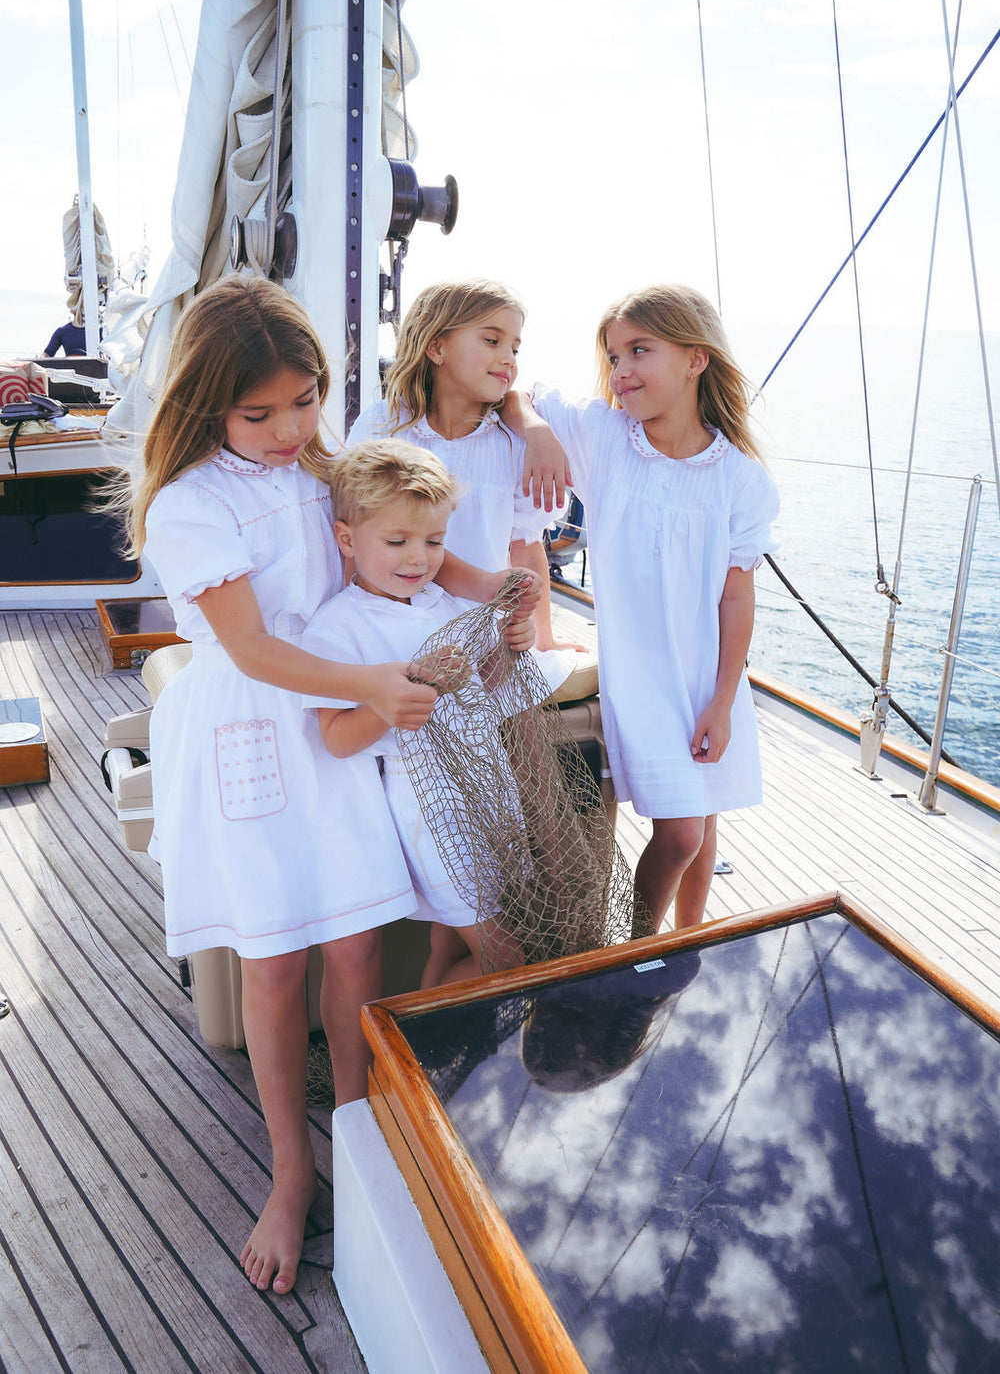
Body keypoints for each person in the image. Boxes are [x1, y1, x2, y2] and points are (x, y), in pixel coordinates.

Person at [125, 274, 530, 1298]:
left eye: (304, 402)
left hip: (340, 732)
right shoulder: (189, 503)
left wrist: (495, 586)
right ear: (205, 403)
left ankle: (354, 1130)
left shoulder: (325, 468)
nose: (287, 429)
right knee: (272, 965)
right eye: (258, 414)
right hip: (258, 730)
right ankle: (291, 1172)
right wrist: (375, 686)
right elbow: (254, 649)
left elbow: (413, 544)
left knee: (353, 945)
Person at [505, 284, 779, 936]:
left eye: (639, 351)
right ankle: (638, 952)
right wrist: (539, 435)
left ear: (695, 359)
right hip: (642, 681)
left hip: (707, 681)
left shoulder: (740, 477)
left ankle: (686, 945)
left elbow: (736, 597)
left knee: (703, 821)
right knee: (681, 833)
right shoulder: (605, 437)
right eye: (613, 356)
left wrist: (722, 700)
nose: (621, 370)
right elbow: (519, 394)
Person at [302, 439, 533, 986]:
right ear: (346, 539)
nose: (418, 558)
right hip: (432, 814)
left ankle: (434, 1032)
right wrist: (407, 690)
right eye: (397, 541)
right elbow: (337, 738)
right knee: (508, 957)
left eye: (434, 541)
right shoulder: (337, 627)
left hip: (485, 791)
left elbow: (484, 689)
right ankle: (437, 1031)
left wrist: (511, 645)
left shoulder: (443, 602)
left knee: (446, 943)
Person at [347, 277, 582, 660]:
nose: (509, 359)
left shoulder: (511, 442)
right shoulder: (383, 425)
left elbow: (524, 546)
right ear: (437, 347)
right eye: (492, 340)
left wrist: (544, 640)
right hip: (390, 633)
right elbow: (352, 535)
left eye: (515, 348)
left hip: (479, 638)